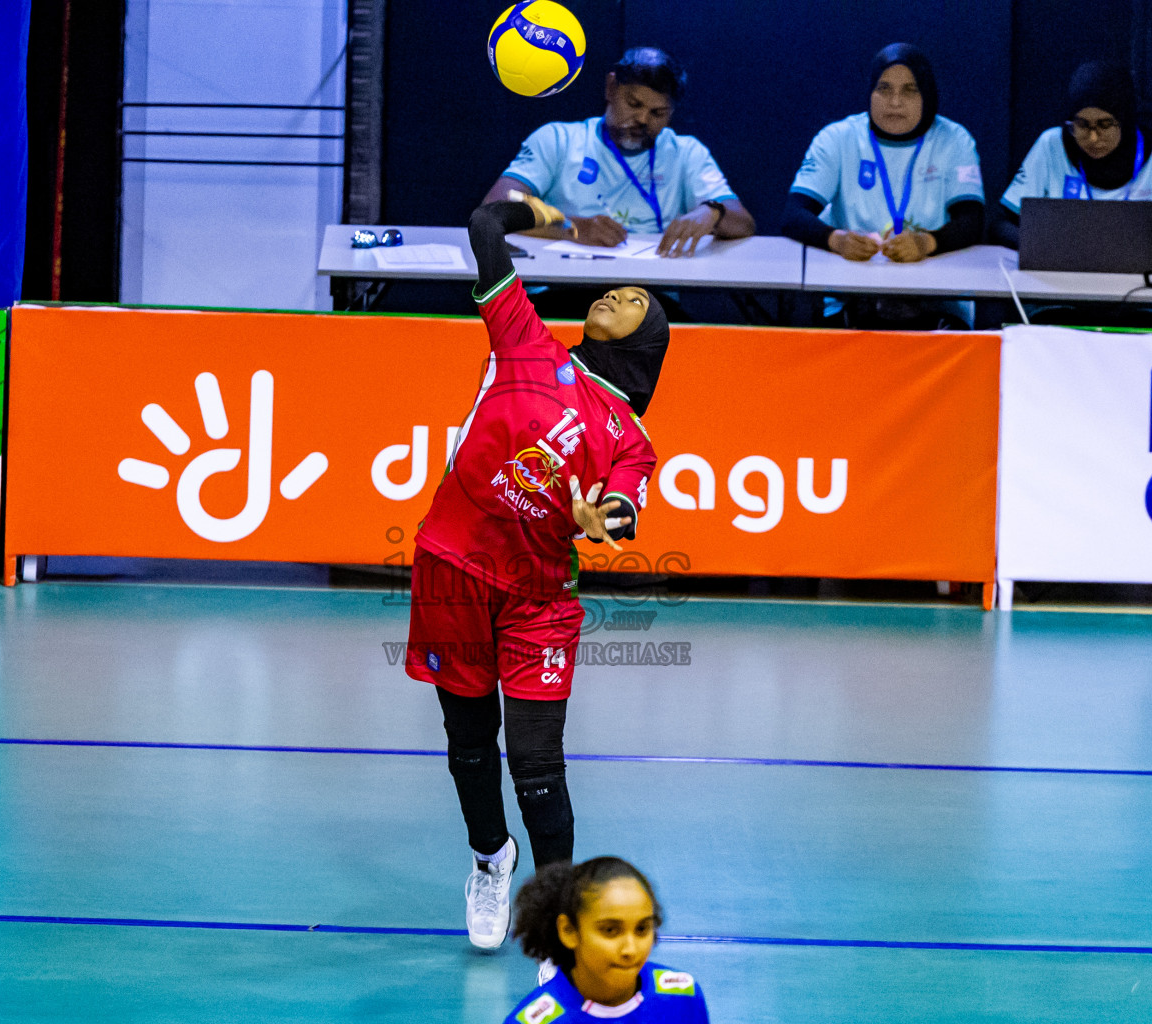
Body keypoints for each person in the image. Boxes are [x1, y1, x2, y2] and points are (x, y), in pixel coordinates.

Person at [405, 192, 667, 951]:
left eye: (634, 300)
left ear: (645, 338)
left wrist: (600, 522)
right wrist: (550, 219)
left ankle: (562, 923)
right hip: (452, 565)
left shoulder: (630, 437)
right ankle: (491, 860)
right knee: (467, 740)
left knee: (538, 761)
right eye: (618, 288)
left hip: (539, 599)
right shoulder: (524, 339)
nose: (616, 293)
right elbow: (483, 225)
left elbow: (622, 510)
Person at [781, 43, 985, 328]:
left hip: (937, 301)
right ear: (870, 92)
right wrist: (837, 240)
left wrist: (926, 243)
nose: (895, 102)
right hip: (854, 300)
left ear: (927, 94)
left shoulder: (954, 139)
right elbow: (793, 215)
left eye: (910, 90)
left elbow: (973, 220)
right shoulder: (838, 138)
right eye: (884, 89)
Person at [484, 47, 754, 258]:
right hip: (563, 288)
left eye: (657, 113)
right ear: (611, 87)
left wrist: (713, 212)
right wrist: (572, 228)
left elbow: (744, 223)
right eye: (633, 103)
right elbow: (496, 206)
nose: (642, 119)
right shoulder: (558, 139)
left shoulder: (686, 153)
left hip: (651, 296)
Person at [997, 61, 1152, 260]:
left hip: (1142, 303)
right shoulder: (1052, 146)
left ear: (1125, 119)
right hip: (1059, 298)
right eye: (1082, 125)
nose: (1092, 138)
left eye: (1105, 125)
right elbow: (1001, 225)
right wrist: (1047, 247)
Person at [504, 857, 709, 1023]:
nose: (630, 949)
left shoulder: (683, 996)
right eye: (610, 930)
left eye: (642, 929)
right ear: (569, 931)